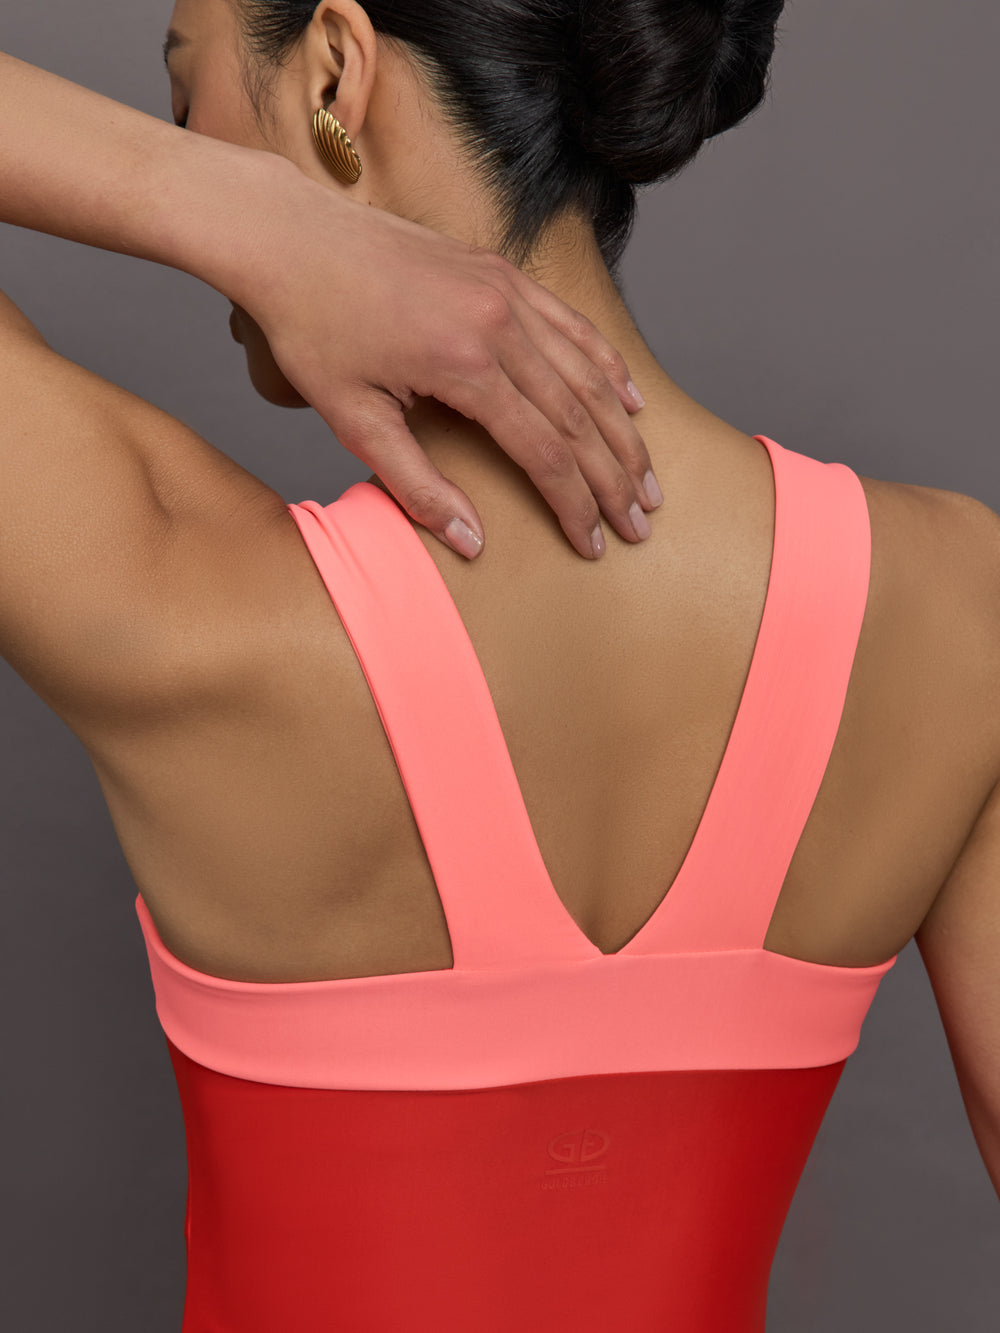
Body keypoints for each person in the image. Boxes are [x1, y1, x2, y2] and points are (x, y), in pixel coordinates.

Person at [1, 1, 998, 1329]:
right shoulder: (953, 608)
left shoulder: (177, 595)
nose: (190, 145)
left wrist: (242, 214)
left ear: (336, 75)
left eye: (188, 102)